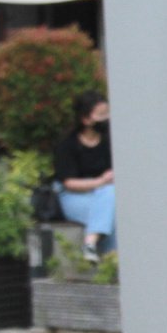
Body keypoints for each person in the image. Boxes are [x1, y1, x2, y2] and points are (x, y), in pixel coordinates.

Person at [54, 90, 115, 260]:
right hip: (74, 196)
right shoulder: (67, 144)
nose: (106, 119)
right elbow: (69, 183)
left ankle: (91, 244)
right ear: (86, 119)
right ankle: (113, 263)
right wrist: (101, 181)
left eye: (107, 113)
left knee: (111, 199)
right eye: (101, 115)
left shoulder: (109, 141)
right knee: (112, 206)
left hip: (104, 195)